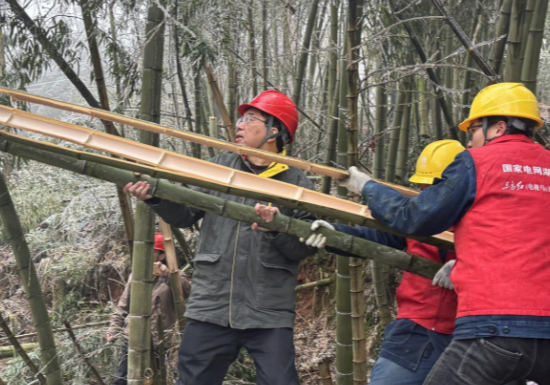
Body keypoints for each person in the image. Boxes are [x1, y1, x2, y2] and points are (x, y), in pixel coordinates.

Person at [331, 83, 550, 384]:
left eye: (473, 130)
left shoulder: (477, 162)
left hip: (492, 327)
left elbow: (415, 218)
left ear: (498, 127)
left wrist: (368, 187)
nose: (470, 141)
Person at [123, 90, 316, 385]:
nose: (239, 125)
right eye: (241, 118)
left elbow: (301, 249)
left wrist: (277, 229)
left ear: (274, 130)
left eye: (251, 119)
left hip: (268, 308)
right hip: (212, 302)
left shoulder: (298, 183)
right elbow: (186, 213)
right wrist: (155, 197)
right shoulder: (219, 168)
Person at [295, 140, 463, 385]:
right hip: (415, 330)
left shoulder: (482, 220)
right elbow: (379, 238)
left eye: (431, 187)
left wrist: (466, 265)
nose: (424, 193)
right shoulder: (414, 218)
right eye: (420, 186)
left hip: (469, 333)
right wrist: (335, 235)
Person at [107, 232, 191, 385]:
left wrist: (168, 276)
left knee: (157, 379)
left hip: (161, 339)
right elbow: (123, 306)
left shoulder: (175, 275)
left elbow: (186, 291)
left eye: (150, 251)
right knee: (121, 379)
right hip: (133, 337)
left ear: (161, 256)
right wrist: (113, 329)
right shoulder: (136, 275)